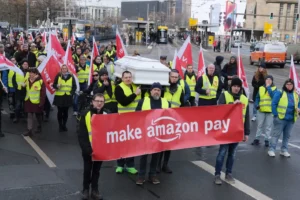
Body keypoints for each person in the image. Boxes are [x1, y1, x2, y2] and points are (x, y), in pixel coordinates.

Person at [214, 77, 250, 185]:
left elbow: (246, 116)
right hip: (226, 130)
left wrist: (246, 132)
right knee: (222, 153)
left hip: (237, 131)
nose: (236, 88)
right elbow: (219, 110)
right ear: (231, 86)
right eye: (234, 86)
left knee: (232, 154)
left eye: (238, 87)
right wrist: (233, 105)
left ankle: (228, 173)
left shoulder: (244, 98)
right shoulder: (224, 95)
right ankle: (217, 174)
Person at [135, 82, 170, 185]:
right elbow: (136, 115)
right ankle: (141, 176)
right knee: (144, 155)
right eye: (154, 90)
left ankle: (152, 175)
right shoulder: (143, 101)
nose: (156, 92)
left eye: (158, 90)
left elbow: (170, 116)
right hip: (146, 132)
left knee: (156, 156)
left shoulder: (165, 102)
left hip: (159, 133)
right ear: (150, 91)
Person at [78, 93, 106, 200]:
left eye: (101, 101)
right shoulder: (85, 114)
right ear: (92, 102)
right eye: (97, 101)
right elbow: (81, 134)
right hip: (88, 149)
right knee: (87, 169)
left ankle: (95, 190)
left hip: (100, 149)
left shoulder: (106, 114)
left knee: (96, 171)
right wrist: (87, 149)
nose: (99, 103)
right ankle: (85, 189)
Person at [157, 69, 185, 173]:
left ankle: (165, 164)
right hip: (162, 119)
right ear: (169, 77)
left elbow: (182, 103)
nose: (174, 79)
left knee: (169, 144)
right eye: (172, 77)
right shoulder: (164, 88)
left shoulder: (180, 88)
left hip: (173, 120)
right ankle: (157, 165)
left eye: (175, 77)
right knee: (160, 143)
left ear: (178, 78)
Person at [114, 71, 140, 174]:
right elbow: (124, 102)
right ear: (122, 78)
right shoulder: (119, 88)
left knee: (132, 143)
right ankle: (120, 164)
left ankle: (130, 165)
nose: (128, 79)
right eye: (126, 77)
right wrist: (135, 94)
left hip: (134, 119)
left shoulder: (136, 86)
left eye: (130, 77)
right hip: (123, 119)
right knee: (121, 143)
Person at [268, 79, 300, 158]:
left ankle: (284, 150)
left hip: (291, 119)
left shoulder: (295, 94)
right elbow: (274, 104)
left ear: (293, 86)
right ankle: (271, 149)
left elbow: (298, 103)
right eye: (288, 84)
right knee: (276, 135)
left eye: (291, 84)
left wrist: (299, 108)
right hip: (281, 118)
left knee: (287, 136)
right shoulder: (280, 92)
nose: (289, 86)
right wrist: (275, 115)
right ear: (285, 85)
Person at [251, 75, 277, 147]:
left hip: (270, 111)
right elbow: (257, 98)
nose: (268, 81)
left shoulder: (274, 89)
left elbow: (273, 97)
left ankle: (267, 140)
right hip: (261, 110)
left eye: (270, 80)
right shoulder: (261, 88)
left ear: (272, 81)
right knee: (260, 125)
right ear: (265, 80)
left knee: (268, 127)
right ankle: (257, 139)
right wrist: (257, 105)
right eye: (267, 79)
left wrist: (268, 87)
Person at [53, 64, 76, 132]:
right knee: (60, 111)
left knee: (66, 112)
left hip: (67, 96)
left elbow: (74, 86)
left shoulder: (71, 76)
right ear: (61, 69)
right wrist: (57, 86)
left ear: (67, 69)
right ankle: (60, 125)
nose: (64, 70)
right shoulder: (58, 76)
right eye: (63, 68)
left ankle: (64, 125)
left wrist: (71, 93)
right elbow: (54, 85)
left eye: (65, 68)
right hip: (59, 96)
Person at [23, 68, 46, 136]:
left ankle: (39, 126)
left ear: (36, 74)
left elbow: (43, 93)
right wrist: (23, 86)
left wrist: (41, 102)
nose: (30, 74)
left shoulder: (40, 81)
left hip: (36, 101)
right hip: (28, 100)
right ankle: (29, 130)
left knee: (38, 115)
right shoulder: (27, 80)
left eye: (32, 73)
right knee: (29, 115)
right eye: (30, 73)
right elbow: (26, 88)